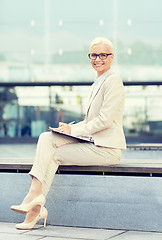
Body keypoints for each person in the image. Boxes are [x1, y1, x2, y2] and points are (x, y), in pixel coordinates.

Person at [11, 37, 126, 229]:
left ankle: (34, 203)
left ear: (111, 57)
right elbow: (90, 121)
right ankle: (35, 204)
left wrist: (74, 130)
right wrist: (69, 128)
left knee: (51, 152)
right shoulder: (99, 81)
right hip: (94, 143)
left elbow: (105, 120)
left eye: (102, 55)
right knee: (47, 138)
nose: (97, 59)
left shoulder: (113, 81)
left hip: (107, 148)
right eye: (93, 55)